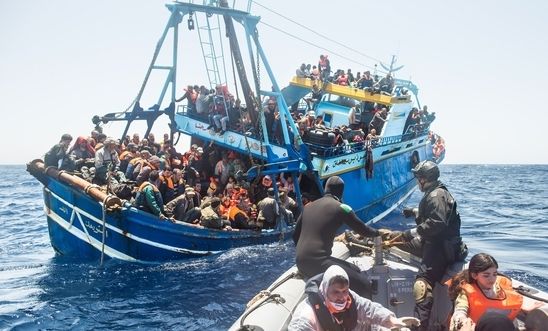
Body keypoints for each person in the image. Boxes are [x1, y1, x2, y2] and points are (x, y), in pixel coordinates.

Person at [384, 160, 467, 330]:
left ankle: (419, 326)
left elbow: (437, 222)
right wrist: (415, 212)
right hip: (431, 243)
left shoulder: (437, 195)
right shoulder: (436, 193)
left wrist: (411, 233)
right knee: (394, 238)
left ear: (423, 179)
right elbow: (436, 214)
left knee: (422, 285)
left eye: (418, 178)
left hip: (439, 249)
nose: (417, 181)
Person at [293, 176, 380, 298]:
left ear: (325, 189)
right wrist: (378, 233)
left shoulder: (308, 207)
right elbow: (364, 231)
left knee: (354, 269)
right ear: (341, 192)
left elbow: (295, 235)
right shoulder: (341, 208)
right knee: (364, 284)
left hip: (300, 263)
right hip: (318, 262)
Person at [288, 265, 417, 331]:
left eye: (344, 291)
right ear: (325, 290)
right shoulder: (306, 316)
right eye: (336, 292)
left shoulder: (350, 297)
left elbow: (369, 309)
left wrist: (392, 321)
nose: (342, 297)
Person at [446, 253, 544, 331]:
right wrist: (462, 321)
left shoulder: (500, 287)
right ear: (475, 275)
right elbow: (460, 311)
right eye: (486, 275)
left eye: (494, 274)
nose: (492, 279)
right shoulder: (466, 293)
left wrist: (523, 308)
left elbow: (509, 301)